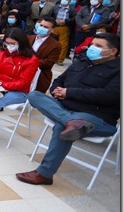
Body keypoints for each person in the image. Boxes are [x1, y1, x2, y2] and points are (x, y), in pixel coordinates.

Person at [16, 33, 120, 186]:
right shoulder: (82, 62)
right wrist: (55, 91)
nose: (92, 48)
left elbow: (110, 95)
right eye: (92, 44)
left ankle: (44, 174)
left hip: (96, 116)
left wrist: (69, 93)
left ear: (112, 52)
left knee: (62, 126)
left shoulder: (118, 70)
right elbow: (59, 80)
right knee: (34, 95)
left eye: (99, 46)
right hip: (65, 107)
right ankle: (70, 121)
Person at [28, 15, 61, 93]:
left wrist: (29, 62)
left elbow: (49, 62)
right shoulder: (28, 38)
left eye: (46, 27)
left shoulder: (55, 45)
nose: (42, 28)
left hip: (40, 75)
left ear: (52, 30)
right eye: (41, 25)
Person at [51, 0, 77, 65]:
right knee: (52, 42)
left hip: (65, 27)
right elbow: (50, 16)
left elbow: (74, 19)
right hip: (55, 27)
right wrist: (54, 21)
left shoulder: (72, 9)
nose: (64, 0)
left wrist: (65, 21)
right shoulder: (55, 7)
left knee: (63, 44)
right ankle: (51, 57)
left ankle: (60, 59)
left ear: (69, 1)